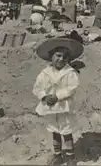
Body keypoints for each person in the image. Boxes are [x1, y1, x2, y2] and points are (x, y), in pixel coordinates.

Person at [32, 38, 84, 166]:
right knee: (54, 130)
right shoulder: (44, 73)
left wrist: (58, 96)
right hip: (50, 107)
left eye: (64, 57)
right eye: (58, 55)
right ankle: (57, 155)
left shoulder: (70, 73)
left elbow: (72, 88)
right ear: (51, 57)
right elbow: (37, 88)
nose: (61, 59)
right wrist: (44, 96)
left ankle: (71, 157)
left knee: (66, 130)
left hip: (63, 106)